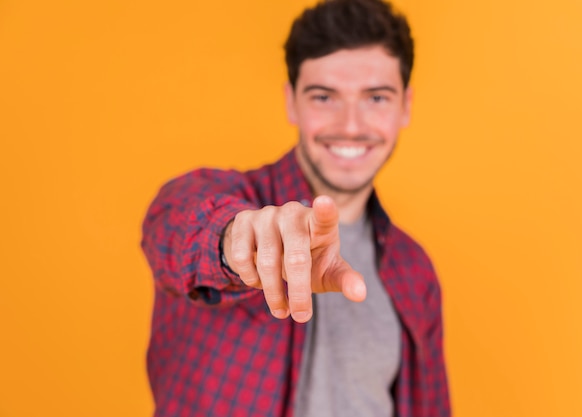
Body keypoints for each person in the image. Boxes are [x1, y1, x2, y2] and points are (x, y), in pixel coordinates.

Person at [141, 0, 450, 416]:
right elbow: (175, 230)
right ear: (292, 102)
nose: (352, 125)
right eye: (324, 96)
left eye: (376, 97)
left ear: (405, 106)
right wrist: (238, 241)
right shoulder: (214, 197)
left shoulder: (415, 271)